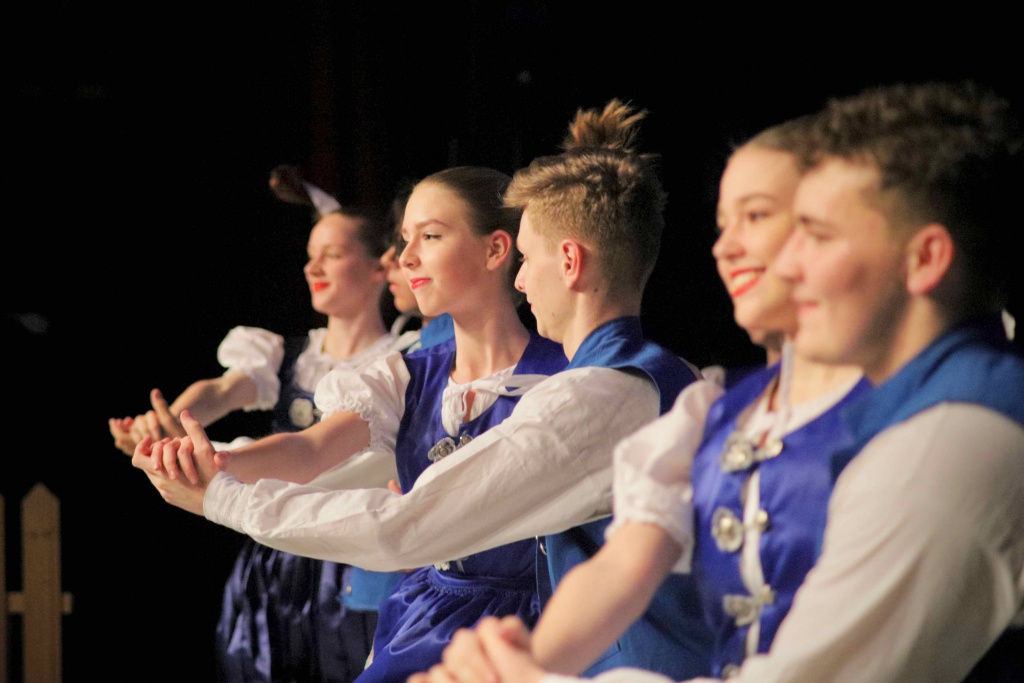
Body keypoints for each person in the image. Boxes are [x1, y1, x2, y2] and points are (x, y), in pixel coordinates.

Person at [421, 81, 1024, 683]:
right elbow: (620, 569)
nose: (784, 263)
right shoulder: (725, 407)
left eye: (813, 233)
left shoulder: (960, 431)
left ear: (924, 258)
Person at [132, 99, 712, 681]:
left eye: (526, 257)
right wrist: (212, 463)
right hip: (448, 621)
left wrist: (220, 496)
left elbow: (404, 526)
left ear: (563, 261)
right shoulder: (657, 379)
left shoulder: (590, 393)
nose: (521, 277)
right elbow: (326, 461)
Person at [135, 164, 569, 682]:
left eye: (430, 236)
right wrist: (212, 463)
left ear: (496, 249)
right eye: (405, 239)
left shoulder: (565, 376)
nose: (405, 257)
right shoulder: (403, 376)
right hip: (425, 621)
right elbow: (311, 450)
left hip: (533, 627)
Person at [111, 166, 408, 683]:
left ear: (379, 267)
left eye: (333, 254)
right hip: (277, 557)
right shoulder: (285, 355)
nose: (313, 266)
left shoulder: (404, 359)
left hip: (356, 554)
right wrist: (172, 424)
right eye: (311, 254)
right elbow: (224, 390)